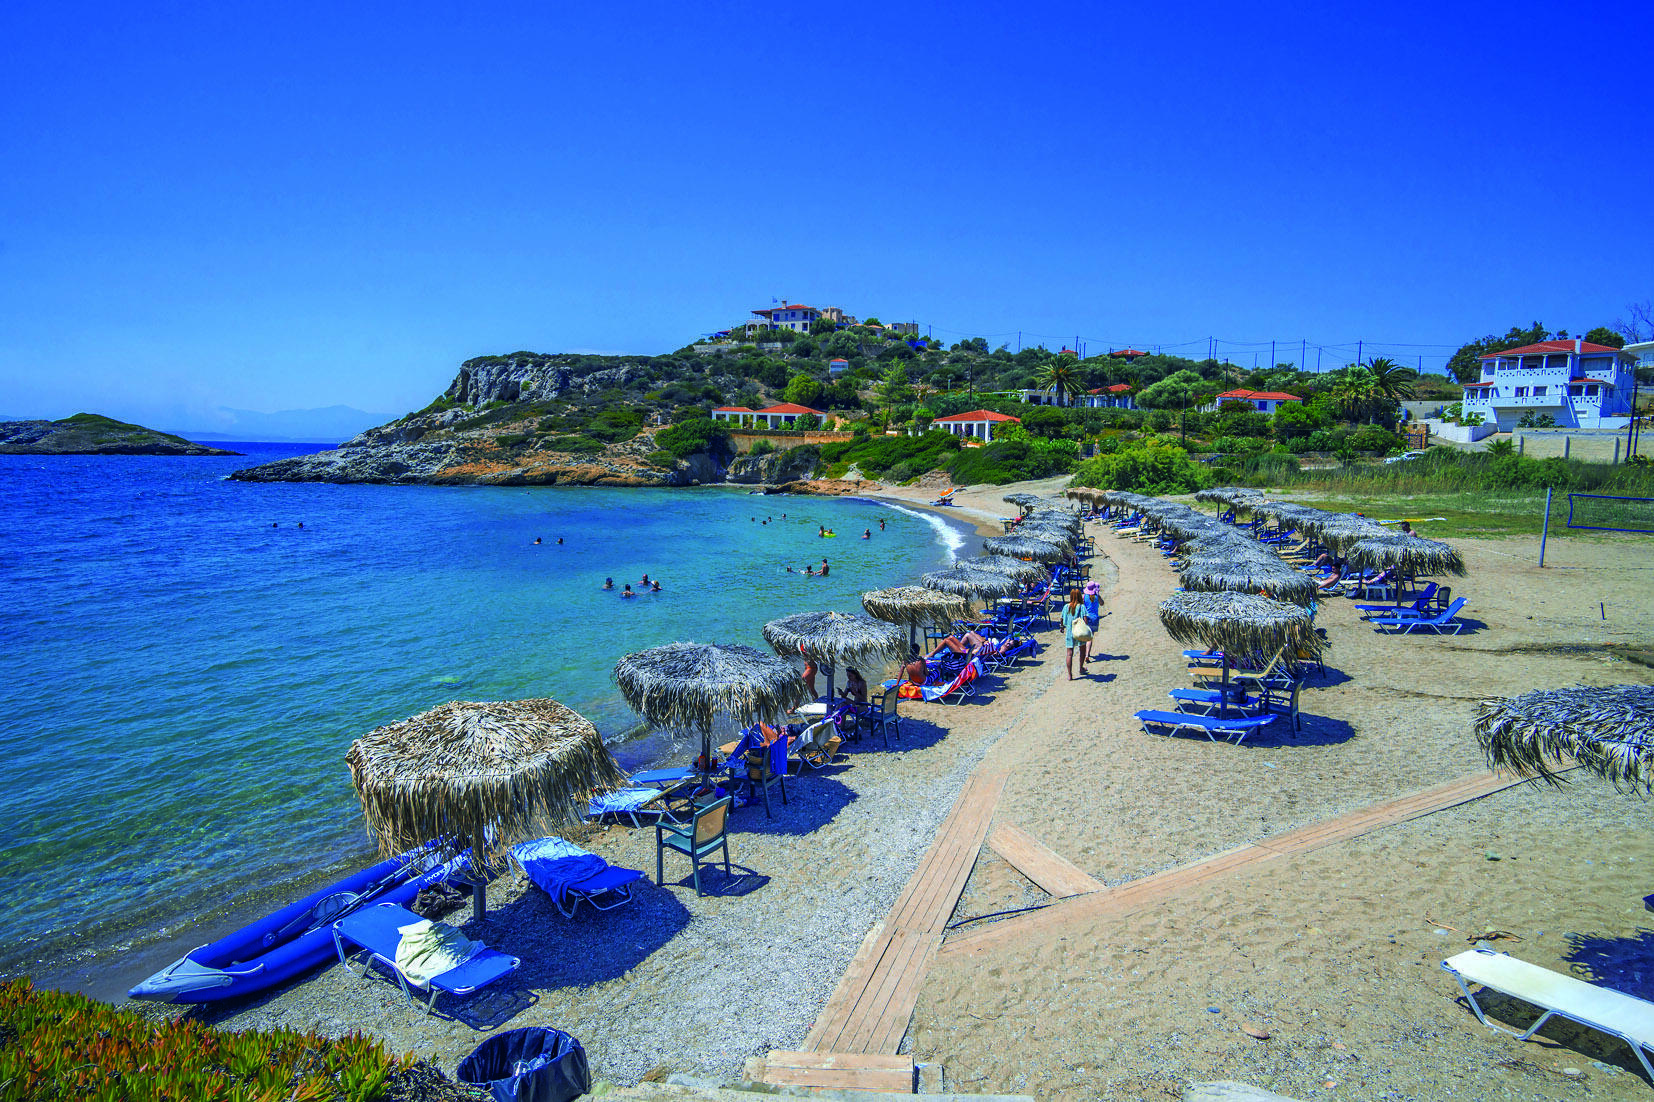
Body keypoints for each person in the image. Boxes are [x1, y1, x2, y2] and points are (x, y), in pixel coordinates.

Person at [1061, 587, 1087, 680]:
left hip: (1070, 632)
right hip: (1079, 631)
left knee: (1069, 653)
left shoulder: (1066, 607)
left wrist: (1061, 627)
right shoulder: (1082, 607)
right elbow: (1085, 619)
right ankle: (1081, 668)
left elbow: (1062, 618)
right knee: (1082, 650)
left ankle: (1069, 675)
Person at [1081, 580, 1102, 661]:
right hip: (1094, 618)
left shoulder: (1084, 597)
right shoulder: (1096, 597)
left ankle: (1085, 652)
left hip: (1086, 618)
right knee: (1090, 638)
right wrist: (1098, 595)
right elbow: (1102, 603)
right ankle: (1087, 654)